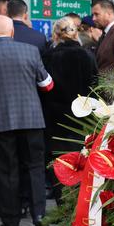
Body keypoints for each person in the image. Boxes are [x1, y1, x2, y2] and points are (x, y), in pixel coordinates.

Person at [0, 16, 54, 226]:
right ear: (13, 32)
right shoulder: (31, 51)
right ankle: (39, 215)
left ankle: (11, 221)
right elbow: (46, 84)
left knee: (7, 170)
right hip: (32, 119)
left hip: (0, 121)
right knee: (35, 167)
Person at [42, 17, 97, 204]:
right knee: (81, 159)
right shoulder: (88, 56)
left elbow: (44, 87)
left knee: (58, 161)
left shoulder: (49, 57)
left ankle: (61, 203)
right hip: (83, 116)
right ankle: (78, 203)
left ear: (56, 35)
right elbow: (95, 87)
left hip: (55, 117)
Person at [92, 0, 114, 72]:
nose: (93, 18)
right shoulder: (107, 33)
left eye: (96, 14)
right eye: (93, 15)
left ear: (109, 13)